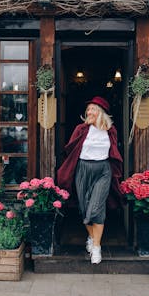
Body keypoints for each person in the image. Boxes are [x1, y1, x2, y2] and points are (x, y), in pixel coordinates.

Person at [57, 96, 123, 264]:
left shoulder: (110, 131)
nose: (89, 112)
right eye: (88, 109)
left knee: (96, 208)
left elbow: (114, 151)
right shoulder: (81, 129)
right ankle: (93, 239)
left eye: (93, 109)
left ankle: (96, 248)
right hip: (83, 169)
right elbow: (70, 149)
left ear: (100, 112)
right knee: (84, 208)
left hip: (103, 170)